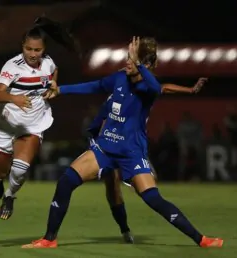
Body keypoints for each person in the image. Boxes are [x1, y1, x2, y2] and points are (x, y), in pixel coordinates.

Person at [22, 36, 223, 248]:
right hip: (105, 148)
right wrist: (61, 89)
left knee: (153, 199)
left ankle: (201, 239)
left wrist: (139, 64)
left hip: (132, 153)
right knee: (66, 182)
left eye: (132, 59)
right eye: (127, 57)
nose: (127, 62)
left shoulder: (147, 89)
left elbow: (157, 87)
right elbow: (95, 85)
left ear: (143, 64)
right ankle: (49, 239)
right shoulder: (119, 78)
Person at [90, 76, 207, 243]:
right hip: (110, 146)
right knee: (112, 187)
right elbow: (103, 120)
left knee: (150, 193)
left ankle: (197, 237)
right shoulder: (115, 96)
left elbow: (164, 87)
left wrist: (190, 89)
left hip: (131, 150)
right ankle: (125, 230)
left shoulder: (144, 92)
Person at [0, 17, 79, 220]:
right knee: (1, 171)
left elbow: (54, 71)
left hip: (34, 123)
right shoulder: (13, 66)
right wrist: (14, 98)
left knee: (20, 169)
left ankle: (10, 196)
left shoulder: (48, 63)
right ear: (23, 46)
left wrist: (54, 85)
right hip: (7, 124)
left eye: (37, 50)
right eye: (28, 49)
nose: (32, 54)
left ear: (44, 50)